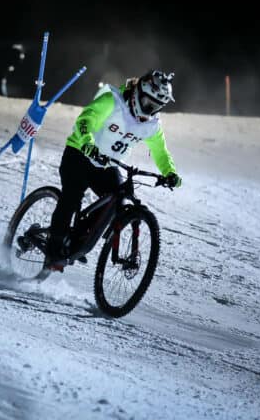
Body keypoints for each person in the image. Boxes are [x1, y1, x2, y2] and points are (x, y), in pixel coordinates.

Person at [44, 70, 183, 271]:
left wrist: (170, 172)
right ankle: (54, 247)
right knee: (71, 198)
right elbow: (85, 120)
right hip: (80, 155)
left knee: (116, 201)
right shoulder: (113, 101)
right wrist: (87, 143)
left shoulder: (152, 125)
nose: (150, 110)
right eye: (148, 103)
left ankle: (77, 242)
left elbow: (161, 152)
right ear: (138, 94)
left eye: (156, 106)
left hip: (107, 165)